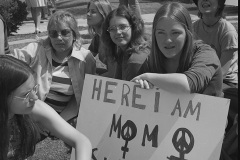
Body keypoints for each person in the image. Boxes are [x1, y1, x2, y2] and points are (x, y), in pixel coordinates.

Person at [12, 10, 96, 127]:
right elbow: (9, 62)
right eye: (53, 33)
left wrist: (58, 123)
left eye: (65, 32)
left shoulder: (85, 58)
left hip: (64, 117)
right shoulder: (35, 50)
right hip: (31, 113)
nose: (59, 38)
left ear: (75, 34)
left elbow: (85, 94)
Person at [0, 55, 92, 160]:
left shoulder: (34, 108)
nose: (35, 97)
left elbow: (81, 141)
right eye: (25, 94)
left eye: (34, 89)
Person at [132, 2, 223, 97]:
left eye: (175, 32)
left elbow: (189, 85)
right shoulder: (152, 59)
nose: (168, 40)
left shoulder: (206, 54)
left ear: (187, 33)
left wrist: (148, 77)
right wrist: (141, 84)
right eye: (161, 33)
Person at [192, 0, 238, 89]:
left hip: (226, 82)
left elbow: (222, 72)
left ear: (219, 4)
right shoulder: (193, 28)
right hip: (199, 77)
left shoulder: (228, 31)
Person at [101, 5, 150, 81]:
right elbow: (118, 83)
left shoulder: (135, 60)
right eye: (112, 28)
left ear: (134, 28)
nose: (118, 32)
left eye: (123, 27)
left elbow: (127, 90)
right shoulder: (123, 51)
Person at [86, 0, 113, 75]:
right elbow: (85, 58)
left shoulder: (113, 36)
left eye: (93, 12)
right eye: (88, 11)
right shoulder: (98, 37)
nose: (88, 14)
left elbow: (114, 73)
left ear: (103, 14)